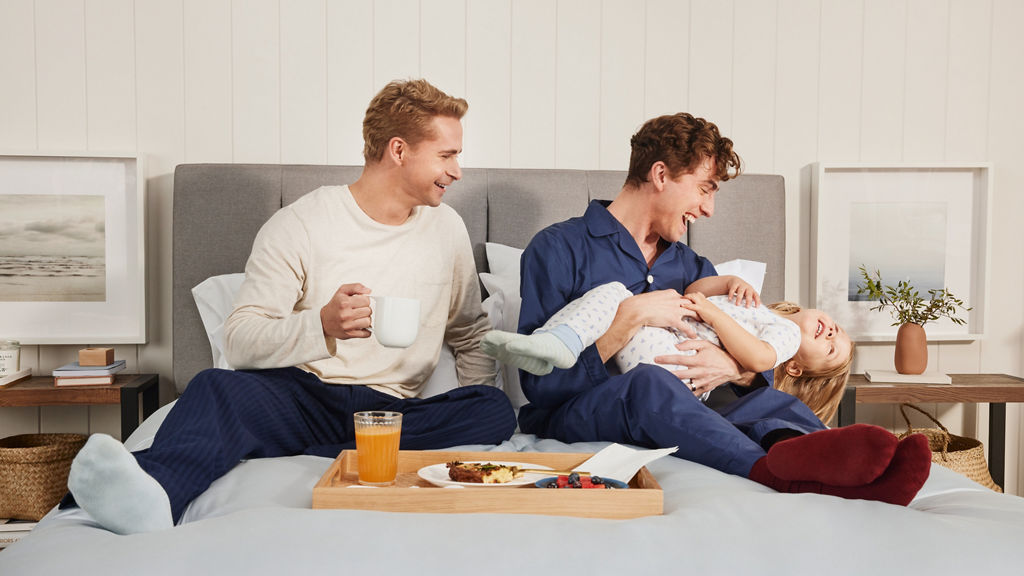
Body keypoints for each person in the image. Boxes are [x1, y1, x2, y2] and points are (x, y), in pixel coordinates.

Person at [63, 79, 517, 535]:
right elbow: (239, 339)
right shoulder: (302, 223)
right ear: (399, 150)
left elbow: (469, 333)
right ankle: (154, 495)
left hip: (392, 415)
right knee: (215, 388)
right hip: (304, 396)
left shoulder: (446, 228)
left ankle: (317, 449)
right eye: (447, 155)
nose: (457, 170)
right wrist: (320, 326)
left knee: (493, 409)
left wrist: (470, 413)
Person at [513, 113, 930, 505]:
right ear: (661, 175)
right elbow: (540, 386)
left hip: (696, 406)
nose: (709, 209)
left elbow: (751, 366)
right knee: (648, 385)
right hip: (579, 413)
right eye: (705, 188)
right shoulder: (558, 249)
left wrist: (734, 368)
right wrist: (629, 320)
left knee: (773, 405)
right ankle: (768, 472)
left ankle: (852, 474)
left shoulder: (692, 267)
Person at [482, 279, 854, 424]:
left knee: (623, 301)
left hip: (675, 363)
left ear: (796, 371)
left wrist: (708, 311)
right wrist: (727, 283)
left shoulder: (784, 336)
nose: (832, 332)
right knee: (614, 293)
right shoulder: (756, 308)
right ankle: (558, 342)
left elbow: (758, 359)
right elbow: (696, 287)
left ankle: (564, 346)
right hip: (660, 344)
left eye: (831, 348)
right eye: (837, 329)